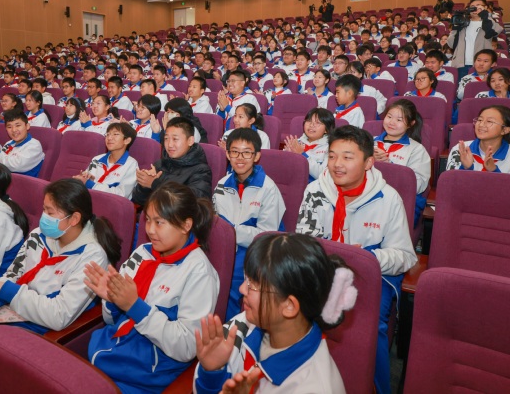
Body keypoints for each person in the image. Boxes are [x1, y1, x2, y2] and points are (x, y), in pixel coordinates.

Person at [296, 126, 416, 394]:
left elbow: (405, 256)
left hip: (369, 274)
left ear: (368, 162)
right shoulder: (315, 191)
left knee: (369, 327)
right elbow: (303, 241)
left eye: (347, 157)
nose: (337, 164)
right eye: (332, 156)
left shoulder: (388, 198)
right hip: (322, 269)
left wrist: (365, 258)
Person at [85, 182, 219, 394]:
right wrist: (111, 300)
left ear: (186, 225)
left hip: (144, 377)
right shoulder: (143, 252)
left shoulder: (199, 272)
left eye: (159, 222)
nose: (150, 230)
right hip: (108, 356)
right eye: (147, 220)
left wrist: (135, 307)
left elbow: (186, 347)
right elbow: (113, 322)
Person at [194, 233, 355, 394]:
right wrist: (213, 371)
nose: (242, 289)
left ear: (289, 306)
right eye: (246, 278)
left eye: (253, 284)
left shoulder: (314, 388)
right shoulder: (247, 323)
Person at [0, 178, 122, 333]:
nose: (44, 217)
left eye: (50, 212)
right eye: (44, 209)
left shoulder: (93, 256)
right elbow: (15, 273)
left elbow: (59, 315)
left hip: (44, 325)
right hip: (19, 307)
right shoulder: (39, 235)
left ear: (74, 219)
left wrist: (4, 291)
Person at [212, 128, 284, 318]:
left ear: (257, 156)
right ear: (227, 154)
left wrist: (231, 232)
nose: (240, 158)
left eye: (246, 153)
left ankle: (231, 328)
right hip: (226, 248)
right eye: (235, 152)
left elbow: (267, 236)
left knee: (233, 286)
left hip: (255, 252)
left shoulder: (268, 189)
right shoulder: (221, 185)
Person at [373, 100, 431, 224]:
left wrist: (389, 167)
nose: (391, 122)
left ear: (411, 124)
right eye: (389, 117)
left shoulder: (416, 149)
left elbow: (419, 185)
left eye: (399, 120)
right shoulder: (369, 142)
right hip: (368, 196)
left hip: (400, 201)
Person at [132, 117, 212, 206]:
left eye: (175, 139)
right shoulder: (160, 164)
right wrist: (144, 186)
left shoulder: (201, 170)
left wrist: (154, 184)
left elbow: (194, 202)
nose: (169, 144)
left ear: (190, 141)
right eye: (166, 138)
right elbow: (138, 200)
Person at [446, 105, 510, 175]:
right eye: (480, 120)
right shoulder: (460, 150)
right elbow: (450, 185)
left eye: (489, 121)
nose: (481, 124)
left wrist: (494, 171)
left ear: (505, 130)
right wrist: (466, 168)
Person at [74, 122, 139, 199]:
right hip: (89, 198)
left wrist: (91, 184)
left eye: (115, 134)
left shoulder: (131, 164)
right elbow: (87, 182)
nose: (109, 138)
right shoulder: (97, 159)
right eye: (107, 134)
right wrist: (86, 179)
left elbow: (121, 194)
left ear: (127, 140)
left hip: (111, 203)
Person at [447, 0, 503, 78]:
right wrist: (455, 27)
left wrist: (485, 16)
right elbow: (451, 44)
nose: (475, 8)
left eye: (478, 6)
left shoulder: (488, 22)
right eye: (472, 6)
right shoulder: (463, 23)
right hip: (461, 64)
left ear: (485, 7)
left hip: (481, 65)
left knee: (480, 86)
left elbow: (495, 31)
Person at [0, 110, 45, 177]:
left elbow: (16, 166)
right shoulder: (9, 144)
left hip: (22, 182)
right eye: (9, 127)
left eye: (18, 125)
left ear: (27, 126)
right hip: (4, 179)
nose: (14, 130)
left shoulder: (34, 145)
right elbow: (0, 164)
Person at [282, 107, 335, 182]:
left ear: (326, 129)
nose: (311, 125)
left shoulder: (330, 147)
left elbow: (322, 174)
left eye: (318, 123)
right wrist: (287, 155)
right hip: (292, 182)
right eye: (309, 121)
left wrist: (302, 155)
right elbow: (282, 169)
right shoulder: (295, 143)